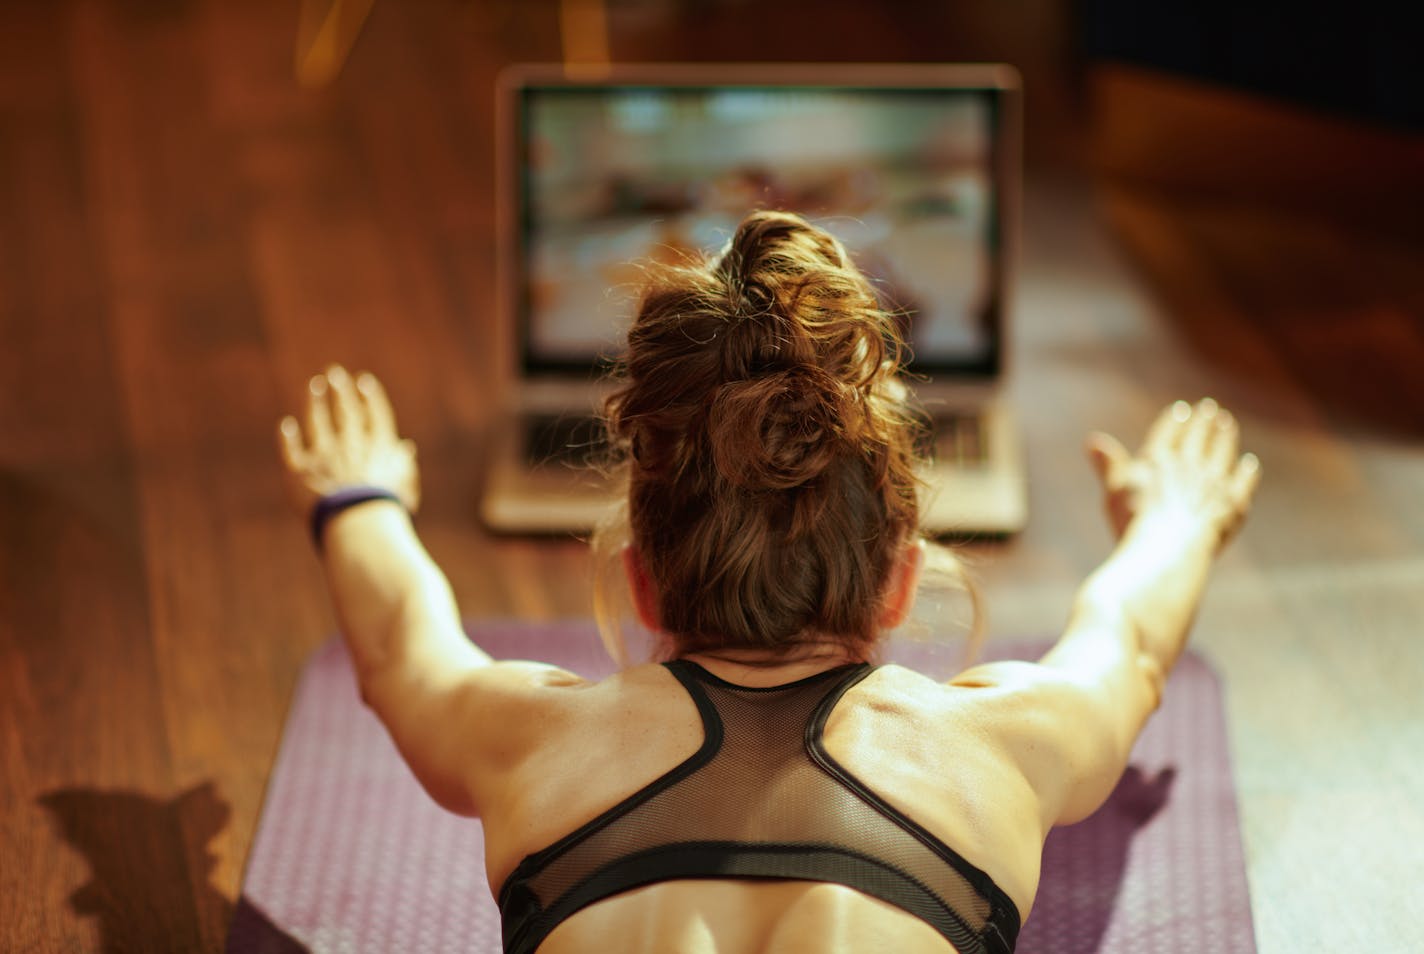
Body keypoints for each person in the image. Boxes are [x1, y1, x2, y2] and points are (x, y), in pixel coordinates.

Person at [277, 211, 1259, 954]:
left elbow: (400, 650)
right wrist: (1177, 515)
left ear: (642, 585)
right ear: (899, 585)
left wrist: (357, 496)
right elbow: (1124, 644)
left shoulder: (535, 741)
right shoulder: (996, 749)